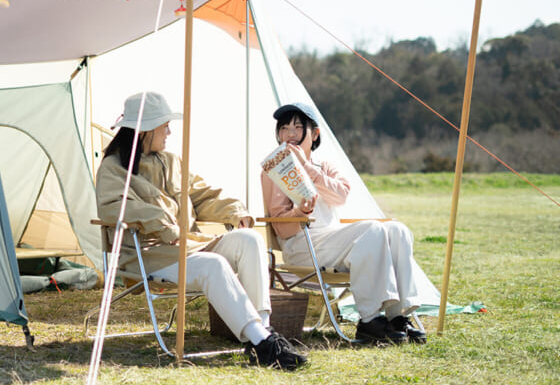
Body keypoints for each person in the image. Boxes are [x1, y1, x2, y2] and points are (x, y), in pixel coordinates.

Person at [95, 91, 307, 370]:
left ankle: (264, 334)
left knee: (249, 239)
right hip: (148, 254)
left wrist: (235, 211)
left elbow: (203, 196)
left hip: (191, 244)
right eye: (164, 125)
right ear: (145, 129)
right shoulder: (112, 168)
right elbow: (111, 208)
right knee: (214, 265)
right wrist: (159, 221)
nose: (170, 131)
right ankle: (262, 343)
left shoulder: (171, 161)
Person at [260, 102, 426, 344]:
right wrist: (299, 212)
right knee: (373, 229)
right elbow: (280, 226)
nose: (291, 134)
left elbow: (341, 196)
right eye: (284, 128)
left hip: (332, 240)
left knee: (397, 229)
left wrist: (306, 168)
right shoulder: (275, 170)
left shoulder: (324, 167)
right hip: (301, 245)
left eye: (298, 127)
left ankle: (397, 316)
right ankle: (369, 319)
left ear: (314, 133)